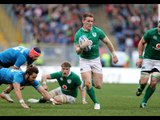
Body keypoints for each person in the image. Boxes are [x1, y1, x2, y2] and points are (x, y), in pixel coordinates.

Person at [74, 12, 118, 110]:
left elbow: (107, 42)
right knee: (89, 83)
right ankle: (96, 103)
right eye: (88, 21)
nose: (90, 23)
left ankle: (85, 82)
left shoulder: (97, 31)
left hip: (95, 60)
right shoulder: (78, 34)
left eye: (92, 21)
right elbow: (77, 51)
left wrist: (113, 54)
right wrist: (82, 46)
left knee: (98, 85)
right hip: (84, 60)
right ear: (83, 21)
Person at [136, 22, 160, 108]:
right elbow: (141, 43)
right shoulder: (150, 33)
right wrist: (140, 57)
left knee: (153, 82)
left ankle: (144, 101)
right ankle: (141, 88)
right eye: (159, 27)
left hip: (158, 62)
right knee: (144, 82)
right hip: (148, 60)